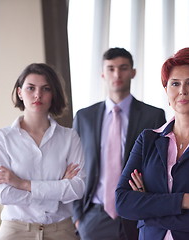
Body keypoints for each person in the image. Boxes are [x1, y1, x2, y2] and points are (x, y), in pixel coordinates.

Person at [116, 47, 189, 240]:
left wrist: (148, 211)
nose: (182, 91)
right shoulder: (147, 140)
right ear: (166, 90)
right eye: (174, 84)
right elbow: (123, 202)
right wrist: (183, 201)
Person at [72, 47, 166, 240]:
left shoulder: (153, 116)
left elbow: (161, 165)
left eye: (123, 68)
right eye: (111, 68)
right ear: (102, 74)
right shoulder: (84, 117)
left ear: (133, 72)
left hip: (138, 213)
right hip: (94, 216)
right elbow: (73, 166)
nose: (117, 74)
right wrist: (78, 217)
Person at [0, 63, 85, 240]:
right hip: (15, 231)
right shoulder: (2, 138)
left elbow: (78, 188)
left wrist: (22, 183)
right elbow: (4, 194)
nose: (37, 95)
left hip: (61, 231)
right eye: (30, 88)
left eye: (46, 88)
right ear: (19, 92)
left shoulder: (70, 137)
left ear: (53, 93)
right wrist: (57, 191)